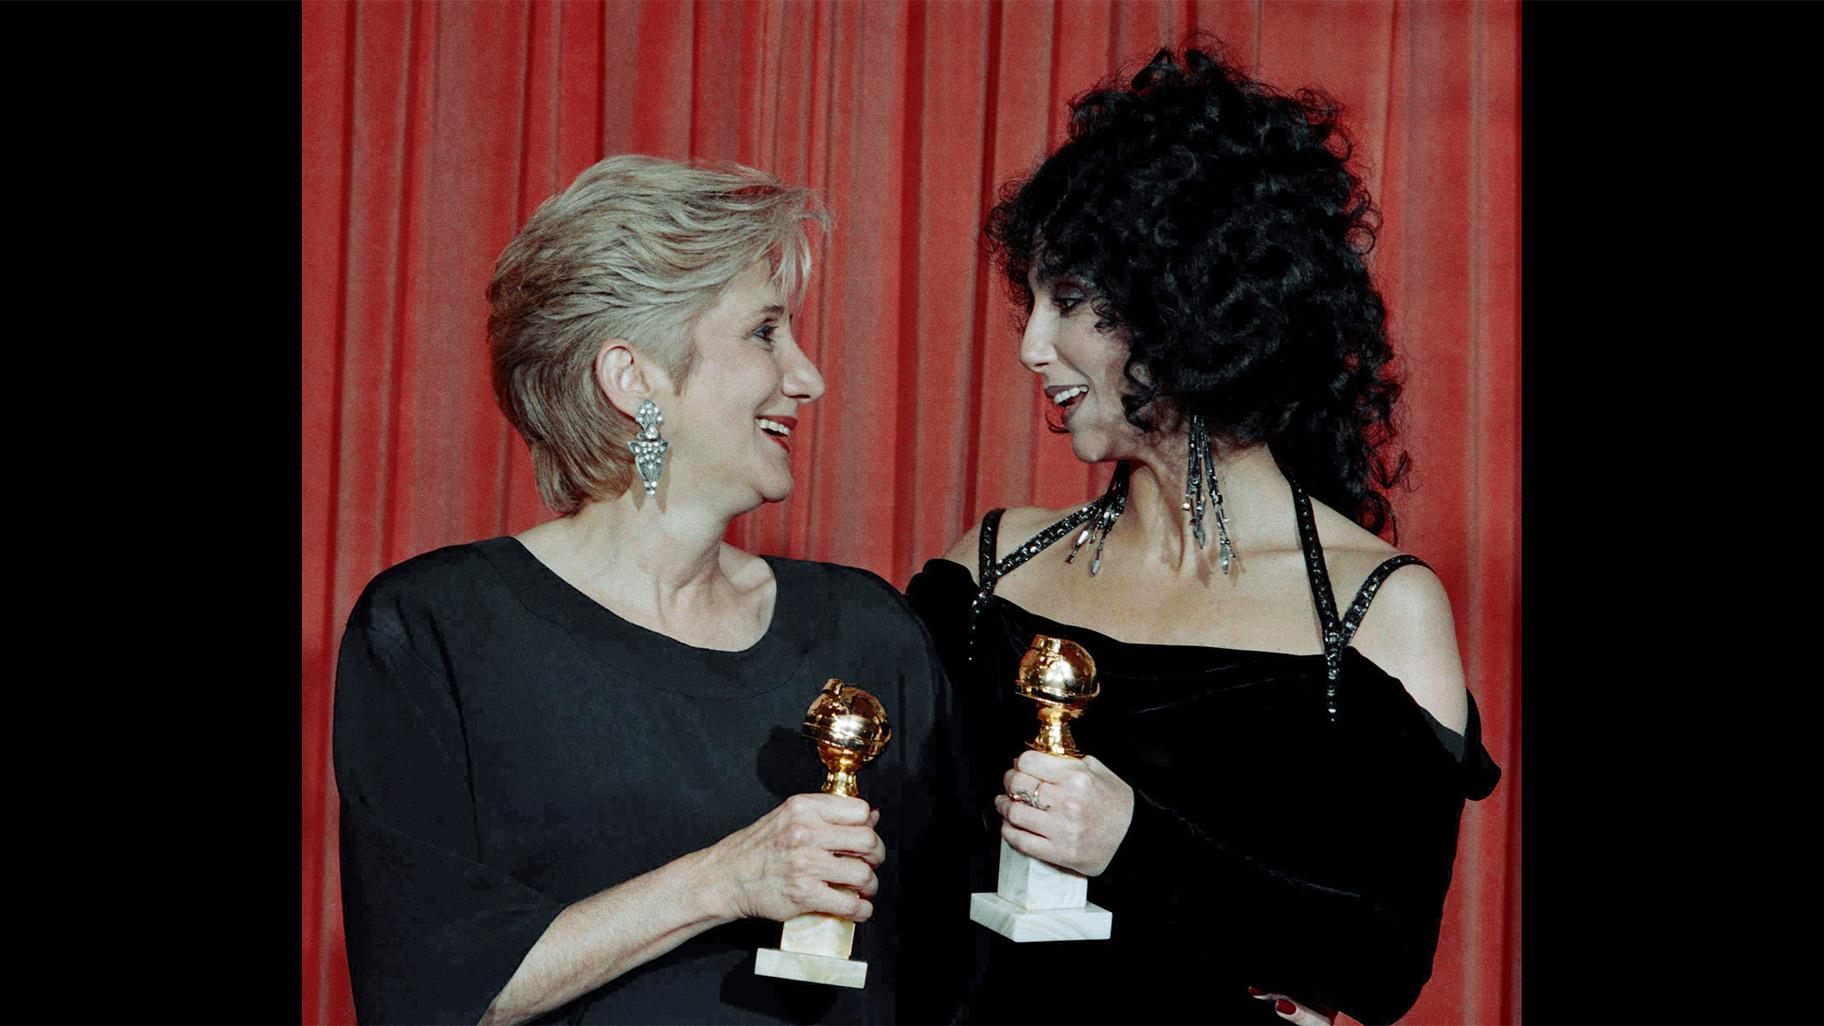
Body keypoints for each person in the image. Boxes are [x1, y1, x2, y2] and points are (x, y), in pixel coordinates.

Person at [905, 44, 1501, 1026]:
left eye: (1072, 302)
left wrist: (1133, 842)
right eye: (1034, 300)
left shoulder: (1375, 611)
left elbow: (1383, 963)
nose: (1030, 347)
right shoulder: (989, 566)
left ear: (1188, 308)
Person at [334, 155, 966, 1025]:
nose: (808, 377)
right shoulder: (437, 630)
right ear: (633, 379)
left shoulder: (866, 630)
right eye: (763, 333)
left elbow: (945, 965)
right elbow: (430, 993)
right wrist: (727, 879)